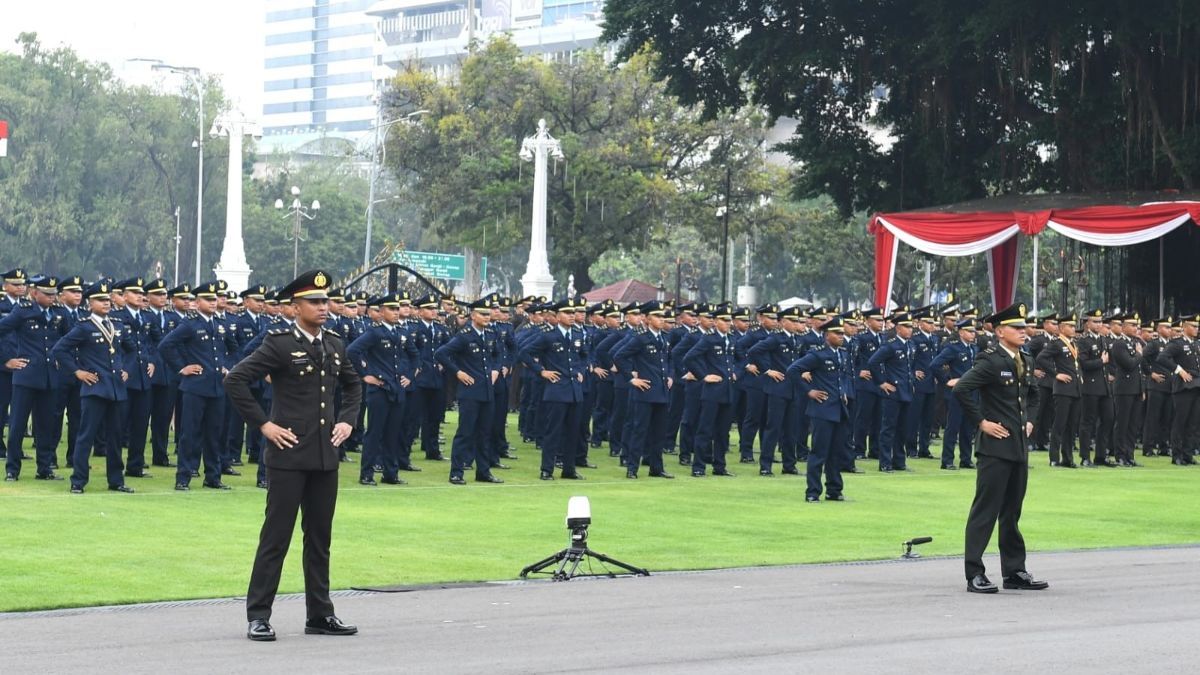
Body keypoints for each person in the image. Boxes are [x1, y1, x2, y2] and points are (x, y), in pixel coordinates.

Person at [225, 269, 362, 642]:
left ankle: (319, 613)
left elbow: (353, 386)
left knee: (320, 539)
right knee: (276, 538)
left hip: (323, 457)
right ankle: (258, 615)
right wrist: (264, 426)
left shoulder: (334, 344)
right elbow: (235, 380)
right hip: (287, 456)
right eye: (315, 302)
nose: (323, 307)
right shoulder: (279, 345)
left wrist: (348, 422)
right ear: (295, 306)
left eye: (326, 301)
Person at [951, 302, 1048, 594]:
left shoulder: (1025, 358)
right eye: (1017, 328)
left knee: (1012, 511)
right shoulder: (991, 360)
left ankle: (1014, 571)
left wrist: (1030, 421)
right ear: (999, 331)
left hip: (1018, 446)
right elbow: (961, 389)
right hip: (995, 447)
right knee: (985, 510)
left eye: (1024, 327)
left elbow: (1033, 395)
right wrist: (981, 422)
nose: (1024, 332)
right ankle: (975, 573)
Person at [51, 280, 135, 494]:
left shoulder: (117, 324)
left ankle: (116, 480)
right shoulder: (84, 327)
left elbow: (132, 350)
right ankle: (78, 481)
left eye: (108, 299)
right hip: (95, 388)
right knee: (85, 435)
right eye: (101, 300)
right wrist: (77, 371)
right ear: (90, 303)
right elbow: (59, 349)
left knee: (115, 438)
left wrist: (127, 369)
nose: (106, 303)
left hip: (116, 389)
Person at [159, 281, 238, 490]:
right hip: (195, 387)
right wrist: (181, 367)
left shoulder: (219, 324)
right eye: (209, 299)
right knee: (189, 433)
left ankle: (213, 476)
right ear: (197, 301)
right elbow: (166, 345)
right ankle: (183, 477)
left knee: (214, 434)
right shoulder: (190, 324)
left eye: (215, 299)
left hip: (216, 387)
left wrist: (226, 366)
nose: (213, 303)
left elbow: (232, 349)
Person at [1, 274, 68, 482]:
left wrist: (63, 361)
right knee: (18, 424)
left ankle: (45, 467)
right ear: (34, 293)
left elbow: (69, 338)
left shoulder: (59, 313)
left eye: (53, 294)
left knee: (46, 425)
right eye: (46, 294)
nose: (51, 298)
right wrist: (6, 360)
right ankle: (12, 468)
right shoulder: (23, 311)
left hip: (50, 376)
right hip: (26, 375)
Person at [435, 298, 503, 485]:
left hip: (487, 391)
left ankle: (483, 471)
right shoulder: (464, 335)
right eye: (483, 314)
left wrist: (496, 369)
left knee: (485, 433)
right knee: (465, 433)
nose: (487, 317)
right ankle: (456, 472)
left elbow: (498, 354)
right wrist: (458, 372)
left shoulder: (490, 334)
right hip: (470, 392)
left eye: (488, 314)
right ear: (473, 315)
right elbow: (441, 353)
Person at [518, 299, 587, 480]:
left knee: (573, 431)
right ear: (557, 316)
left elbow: (584, 355)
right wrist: (542, 371)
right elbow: (524, 352)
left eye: (573, 313)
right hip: (556, 390)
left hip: (574, 391)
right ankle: (547, 469)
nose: (572, 316)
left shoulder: (578, 334)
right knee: (553, 432)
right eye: (567, 313)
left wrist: (580, 370)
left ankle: (569, 469)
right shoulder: (548, 335)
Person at [787, 314, 851, 502]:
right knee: (819, 452)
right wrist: (809, 391)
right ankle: (813, 491)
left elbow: (844, 377)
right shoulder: (817, 355)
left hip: (839, 408)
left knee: (836, 452)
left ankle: (834, 490)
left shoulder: (843, 353)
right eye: (837, 333)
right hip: (822, 409)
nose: (841, 335)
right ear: (826, 335)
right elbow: (793, 371)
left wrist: (844, 391)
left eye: (842, 332)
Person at [612, 300, 675, 479]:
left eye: (663, 316)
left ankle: (656, 467)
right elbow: (619, 356)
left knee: (659, 433)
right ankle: (632, 467)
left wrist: (670, 375)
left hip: (662, 392)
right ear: (647, 319)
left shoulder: (664, 338)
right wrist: (632, 379)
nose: (662, 319)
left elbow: (670, 359)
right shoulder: (640, 338)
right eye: (657, 316)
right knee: (639, 431)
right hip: (645, 391)